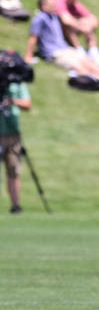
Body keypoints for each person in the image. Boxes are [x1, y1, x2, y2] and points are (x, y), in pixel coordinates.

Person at [24, 0, 99, 89]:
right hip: (54, 53)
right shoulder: (40, 18)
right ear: (43, 6)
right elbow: (33, 37)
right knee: (79, 66)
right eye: (52, 4)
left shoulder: (55, 16)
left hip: (65, 48)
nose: (55, 6)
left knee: (87, 61)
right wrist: (28, 56)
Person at [55, 0, 99, 67]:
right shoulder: (59, 2)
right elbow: (66, 20)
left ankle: (94, 51)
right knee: (70, 26)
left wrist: (86, 26)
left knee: (87, 24)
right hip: (61, 32)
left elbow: (94, 19)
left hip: (74, 29)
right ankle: (80, 51)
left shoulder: (76, 4)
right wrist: (82, 26)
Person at [0, 76, 31, 214]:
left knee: (14, 171)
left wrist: (12, 101)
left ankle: (16, 206)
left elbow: (27, 104)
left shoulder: (16, 83)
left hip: (13, 134)